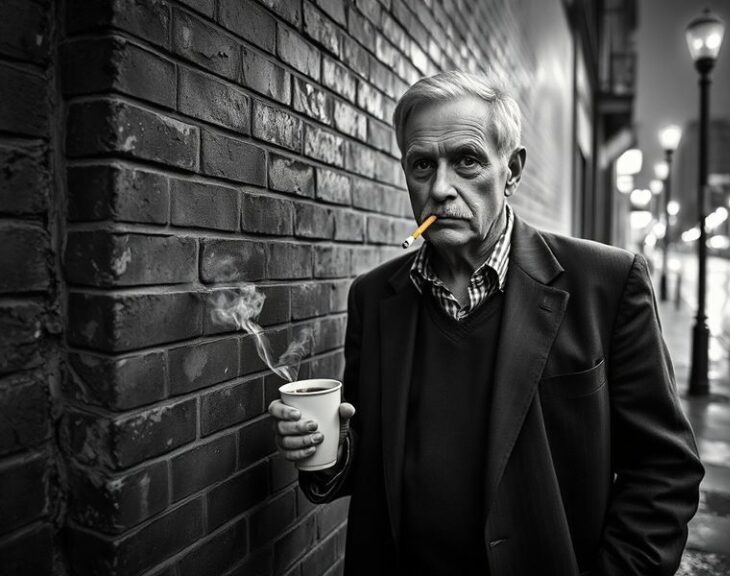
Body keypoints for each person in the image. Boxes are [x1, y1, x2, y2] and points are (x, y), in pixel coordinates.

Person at [269, 71, 704, 576]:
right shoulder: (374, 297)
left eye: (467, 161)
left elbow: (663, 472)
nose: (440, 188)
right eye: (422, 165)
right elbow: (369, 463)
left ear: (512, 171)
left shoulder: (605, 284)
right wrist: (328, 451)